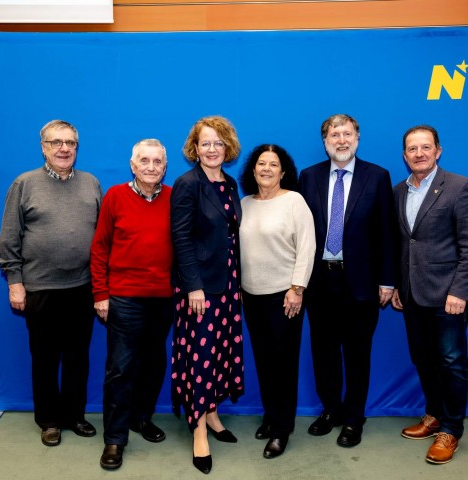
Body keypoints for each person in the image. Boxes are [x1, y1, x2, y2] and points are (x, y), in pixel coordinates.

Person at [0, 119, 101, 447]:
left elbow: (102, 239)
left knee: (77, 358)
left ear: (77, 147)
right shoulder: (24, 184)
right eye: (56, 142)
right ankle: (49, 420)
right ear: (43, 147)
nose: (64, 148)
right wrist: (15, 282)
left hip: (82, 287)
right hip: (40, 288)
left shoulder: (91, 183)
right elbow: (9, 238)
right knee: (44, 358)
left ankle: (74, 415)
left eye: (70, 143)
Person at [298, 113, 396, 448]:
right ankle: (331, 410)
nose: (341, 140)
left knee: (357, 354)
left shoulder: (377, 176)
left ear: (357, 138)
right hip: (319, 282)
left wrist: (387, 280)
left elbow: (386, 232)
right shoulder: (308, 177)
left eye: (347, 134)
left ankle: (354, 418)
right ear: (325, 142)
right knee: (323, 352)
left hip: (361, 283)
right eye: (334, 135)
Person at [391, 124, 468, 465]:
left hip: (448, 296)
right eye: (412, 149)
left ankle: (451, 429)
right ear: (405, 156)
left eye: (425, 147)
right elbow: (402, 244)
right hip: (412, 294)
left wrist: (459, 290)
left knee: (452, 362)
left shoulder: (460, 187)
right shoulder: (398, 192)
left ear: (438, 151)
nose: (419, 153)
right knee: (423, 358)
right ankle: (434, 415)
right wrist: (398, 285)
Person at [90, 139, 173, 470]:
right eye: (145, 161)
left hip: (163, 298)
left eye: (157, 162)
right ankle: (115, 439)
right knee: (121, 368)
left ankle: (142, 418)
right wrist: (100, 294)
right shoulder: (115, 196)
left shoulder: (173, 197)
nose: (151, 167)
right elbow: (99, 247)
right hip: (124, 298)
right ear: (133, 165)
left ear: (164, 167)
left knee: (153, 364)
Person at [170, 115, 244, 475]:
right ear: (195, 149)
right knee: (200, 356)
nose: (212, 149)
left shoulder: (230, 184)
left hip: (228, 283)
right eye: (205, 143)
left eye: (218, 142)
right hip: (199, 288)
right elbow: (181, 239)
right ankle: (198, 429)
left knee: (220, 352)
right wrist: (193, 286)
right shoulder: (187, 184)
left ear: (227, 147)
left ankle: (213, 413)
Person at [238, 144, 315, 459]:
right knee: (264, 361)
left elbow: (307, 247)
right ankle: (271, 416)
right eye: (261, 163)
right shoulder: (244, 204)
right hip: (251, 296)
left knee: (283, 365)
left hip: (284, 297)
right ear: (253, 170)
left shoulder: (294, 201)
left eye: (273, 164)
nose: (266, 169)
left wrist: (297, 289)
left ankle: (282, 429)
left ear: (283, 172)